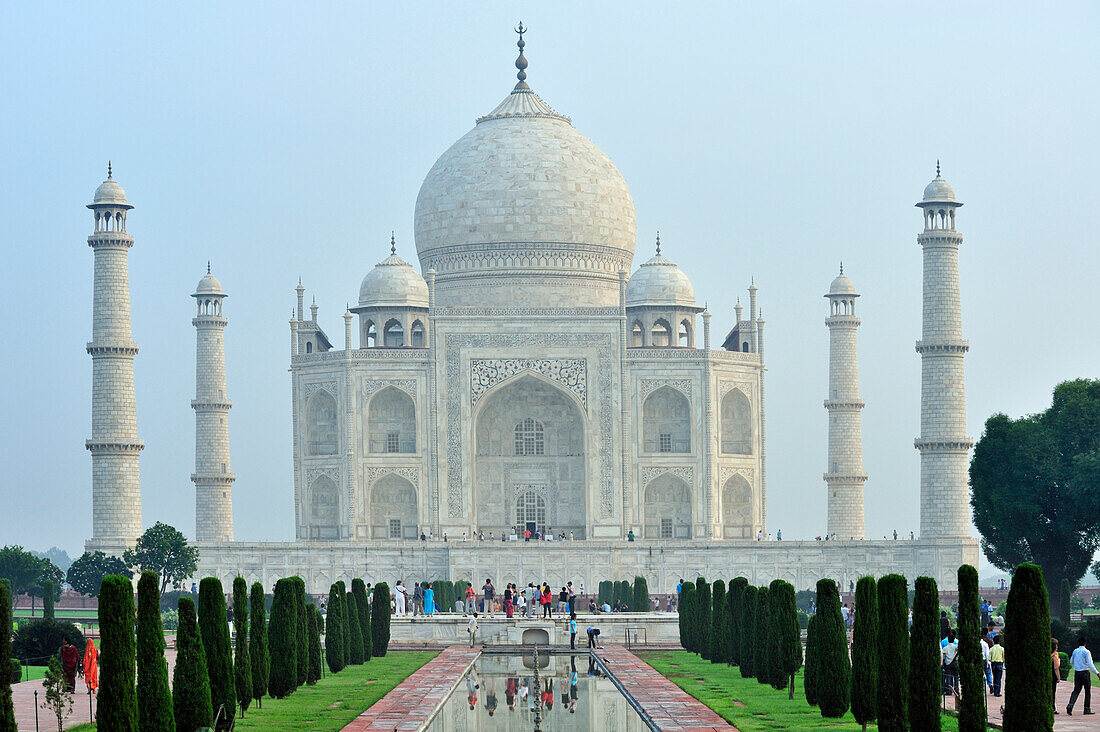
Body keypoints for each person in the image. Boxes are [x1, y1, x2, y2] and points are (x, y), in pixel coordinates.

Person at [1067, 636, 1098, 715]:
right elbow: (1090, 664)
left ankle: (1070, 704)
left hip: (1077, 672)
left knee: (1076, 690)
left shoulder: (1075, 651)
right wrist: (1097, 673)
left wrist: (1078, 664)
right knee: (1087, 691)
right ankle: (1086, 708)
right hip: (1085, 672)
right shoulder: (1086, 652)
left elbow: (1071, 661)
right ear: (1085, 643)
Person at [941, 630, 960, 698]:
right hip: (955, 662)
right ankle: (956, 690)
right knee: (956, 677)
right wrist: (955, 656)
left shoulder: (945, 648)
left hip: (948, 663)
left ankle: (949, 691)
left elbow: (943, 657)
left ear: (948, 640)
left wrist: (943, 664)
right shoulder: (955, 646)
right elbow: (959, 649)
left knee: (948, 677)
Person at [1052, 638, 1061, 714]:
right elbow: (1056, 668)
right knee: (1053, 692)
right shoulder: (1055, 655)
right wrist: (1058, 677)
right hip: (1053, 675)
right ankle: (1053, 708)